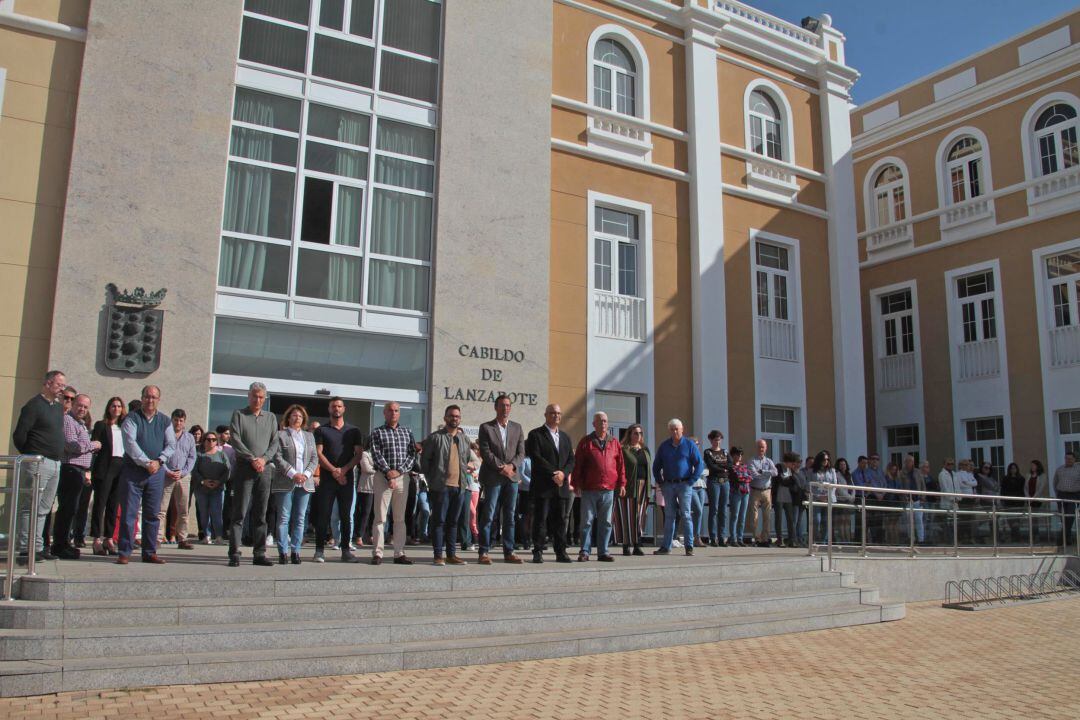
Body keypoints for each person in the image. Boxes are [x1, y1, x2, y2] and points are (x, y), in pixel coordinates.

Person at [12, 370, 68, 563]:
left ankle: (36, 547)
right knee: (31, 506)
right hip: (37, 462)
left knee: (44, 508)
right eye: (59, 385)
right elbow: (19, 436)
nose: (62, 389)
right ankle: (25, 549)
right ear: (48, 383)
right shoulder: (33, 405)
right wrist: (31, 456)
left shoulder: (57, 408)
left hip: (55, 463)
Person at [116, 385, 176, 565]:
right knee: (129, 513)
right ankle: (124, 552)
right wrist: (146, 462)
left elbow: (171, 445)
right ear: (141, 398)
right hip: (133, 472)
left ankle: (149, 552)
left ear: (159, 399)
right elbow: (130, 443)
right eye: (147, 397)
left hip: (156, 473)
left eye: (154, 397)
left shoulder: (165, 421)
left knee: (152, 514)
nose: (150, 400)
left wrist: (159, 461)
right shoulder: (131, 419)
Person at [226, 382, 278, 568]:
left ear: (265, 398)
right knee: (239, 512)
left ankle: (259, 553)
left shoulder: (271, 417)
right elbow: (235, 439)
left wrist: (263, 459)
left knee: (261, 514)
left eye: (261, 397)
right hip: (244, 469)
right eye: (255, 396)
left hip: (264, 470)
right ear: (249, 396)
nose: (258, 400)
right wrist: (252, 458)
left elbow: (274, 443)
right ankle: (234, 552)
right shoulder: (239, 415)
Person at [476, 394, 526, 565]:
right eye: (502, 405)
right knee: (489, 514)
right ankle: (483, 551)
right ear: (495, 407)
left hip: (511, 478)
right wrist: (501, 467)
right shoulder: (486, 427)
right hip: (492, 477)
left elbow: (521, 453)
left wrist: (511, 466)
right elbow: (485, 451)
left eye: (508, 405)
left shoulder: (517, 428)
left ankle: (509, 552)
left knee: (510, 516)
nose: (505, 408)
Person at [420, 405, 472, 566]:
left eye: (457, 416)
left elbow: (466, 460)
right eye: (451, 416)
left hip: (459, 487)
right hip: (441, 487)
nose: (454, 418)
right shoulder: (435, 437)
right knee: (439, 521)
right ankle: (438, 555)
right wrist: (432, 480)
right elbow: (425, 461)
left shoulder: (464, 439)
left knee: (453, 522)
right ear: (445, 418)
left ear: (460, 419)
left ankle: (451, 555)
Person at [312, 397, 363, 563]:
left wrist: (344, 470)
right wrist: (334, 471)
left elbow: (359, 454)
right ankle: (319, 550)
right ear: (329, 409)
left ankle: (346, 551)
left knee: (345, 515)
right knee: (323, 515)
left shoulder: (353, 431)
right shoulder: (321, 430)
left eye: (339, 406)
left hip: (346, 479)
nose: (337, 408)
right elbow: (319, 453)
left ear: (344, 409)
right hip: (328, 479)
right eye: (334, 406)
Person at [570, 412, 625, 562]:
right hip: (589, 489)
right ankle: (585, 551)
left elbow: (620, 465)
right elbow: (578, 465)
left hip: (608, 489)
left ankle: (603, 552)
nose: (603, 424)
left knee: (606, 522)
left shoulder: (614, 442)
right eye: (600, 421)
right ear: (594, 424)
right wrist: (576, 484)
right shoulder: (586, 442)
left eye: (606, 421)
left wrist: (622, 483)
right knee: (586, 521)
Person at [524, 404, 574, 564]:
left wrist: (563, 473)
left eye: (558, 413)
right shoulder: (536, 434)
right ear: (546, 415)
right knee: (540, 520)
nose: (556, 416)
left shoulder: (565, 437)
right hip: (543, 486)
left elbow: (571, 460)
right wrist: (554, 473)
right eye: (552, 413)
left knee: (560, 520)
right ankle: (537, 551)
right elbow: (537, 458)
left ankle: (561, 551)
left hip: (561, 487)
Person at [369, 401, 417, 565]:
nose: (393, 413)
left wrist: (399, 471)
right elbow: (376, 454)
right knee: (380, 517)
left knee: (399, 518)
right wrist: (389, 472)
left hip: (402, 478)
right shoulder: (377, 432)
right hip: (382, 477)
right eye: (390, 410)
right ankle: (378, 553)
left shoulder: (407, 432)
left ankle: (399, 553)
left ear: (399, 413)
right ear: (384, 413)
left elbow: (412, 455)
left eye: (396, 411)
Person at [53, 393, 100, 559]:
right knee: (67, 508)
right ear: (73, 404)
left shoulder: (81, 423)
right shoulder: (68, 420)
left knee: (73, 509)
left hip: (79, 470)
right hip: (70, 469)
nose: (82, 409)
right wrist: (93, 444)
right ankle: (59, 545)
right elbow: (73, 446)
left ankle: (65, 543)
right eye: (80, 405)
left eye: (86, 407)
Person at [272, 404, 317, 565]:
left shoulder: (309, 436)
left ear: (303, 419)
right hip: (285, 481)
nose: (297, 418)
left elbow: (314, 459)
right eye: (294, 415)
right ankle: (283, 552)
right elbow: (277, 457)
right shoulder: (280, 435)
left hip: (304, 483)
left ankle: (295, 551)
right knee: (284, 518)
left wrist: (304, 475)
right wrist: (293, 473)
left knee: (300, 518)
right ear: (288, 417)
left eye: (299, 416)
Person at [651, 418, 702, 556]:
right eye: (672, 429)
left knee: (686, 515)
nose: (674, 431)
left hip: (685, 484)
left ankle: (689, 546)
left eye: (677, 429)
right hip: (668, 485)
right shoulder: (664, 446)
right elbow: (656, 466)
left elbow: (699, 464)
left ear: (682, 429)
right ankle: (666, 546)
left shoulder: (689, 445)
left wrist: (691, 481)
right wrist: (660, 481)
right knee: (669, 516)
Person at [90, 396, 126, 556]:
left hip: (120, 467)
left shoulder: (124, 427)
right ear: (108, 408)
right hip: (105, 468)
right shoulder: (101, 425)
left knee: (113, 505)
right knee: (100, 504)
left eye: (119, 406)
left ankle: (109, 538)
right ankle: (96, 539)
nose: (116, 409)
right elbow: (94, 447)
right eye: (113, 406)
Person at [157, 409, 196, 550]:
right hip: (167, 476)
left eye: (181, 420)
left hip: (183, 476)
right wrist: (167, 471)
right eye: (175, 420)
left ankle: (182, 539)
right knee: (161, 509)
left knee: (183, 510)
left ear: (184, 422)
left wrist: (184, 472)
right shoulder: (165, 435)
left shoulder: (189, 438)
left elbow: (192, 457)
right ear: (171, 420)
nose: (178, 423)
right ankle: (158, 538)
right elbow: (160, 454)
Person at [616, 424, 651, 556]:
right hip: (629, 486)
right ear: (630, 434)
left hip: (643, 486)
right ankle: (626, 545)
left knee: (639, 516)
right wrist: (621, 485)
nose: (638, 435)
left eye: (640, 433)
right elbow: (619, 468)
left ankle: (637, 544)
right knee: (627, 516)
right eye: (635, 433)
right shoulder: (624, 449)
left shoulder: (645, 450)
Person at [192, 431, 229, 545]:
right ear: (204, 441)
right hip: (201, 489)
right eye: (208, 439)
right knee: (204, 513)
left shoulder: (222, 454)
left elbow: (228, 470)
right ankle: (207, 535)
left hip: (218, 489)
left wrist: (219, 482)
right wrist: (203, 481)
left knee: (216, 512)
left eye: (213, 439)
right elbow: (194, 470)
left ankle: (218, 536)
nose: (211, 441)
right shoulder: (199, 455)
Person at [747, 439, 777, 547]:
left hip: (767, 491)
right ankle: (757, 538)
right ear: (756, 447)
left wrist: (763, 472)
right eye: (759, 447)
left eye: (763, 447)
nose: (761, 449)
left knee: (767, 516)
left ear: (766, 448)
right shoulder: (752, 461)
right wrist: (767, 474)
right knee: (754, 516)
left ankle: (765, 538)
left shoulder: (769, 461)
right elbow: (754, 474)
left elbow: (775, 472)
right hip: (755, 490)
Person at [703, 431, 730, 547]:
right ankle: (713, 538)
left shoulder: (725, 452)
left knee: (723, 511)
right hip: (714, 482)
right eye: (715, 439)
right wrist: (722, 469)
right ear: (711, 440)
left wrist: (722, 468)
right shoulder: (708, 452)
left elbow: (730, 464)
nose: (717, 441)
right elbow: (711, 466)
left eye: (719, 439)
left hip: (725, 482)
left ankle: (722, 537)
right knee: (714, 509)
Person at [772, 451, 802, 548]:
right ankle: (779, 539)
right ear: (788, 461)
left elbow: (795, 483)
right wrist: (789, 480)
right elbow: (781, 480)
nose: (794, 465)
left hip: (788, 496)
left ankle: (792, 540)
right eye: (792, 463)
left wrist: (791, 478)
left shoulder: (790, 470)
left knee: (790, 519)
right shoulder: (779, 467)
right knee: (779, 518)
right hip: (779, 496)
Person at [1053, 451, 1080, 546]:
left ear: (1074, 459)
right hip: (1061, 495)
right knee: (1063, 518)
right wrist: (1057, 494)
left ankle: (1061, 539)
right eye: (1066, 458)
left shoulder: (1078, 469)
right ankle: (1067, 540)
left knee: (1070, 516)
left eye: (1070, 458)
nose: (1068, 460)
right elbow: (1055, 482)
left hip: (1074, 495)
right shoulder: (1059, 469)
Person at [727, 447, 752, 546]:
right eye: (737, 454)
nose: (739, 456)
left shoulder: (744, 466)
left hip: (745, 492)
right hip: (736, 492)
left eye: (741, 454)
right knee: (735, 515)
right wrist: (743, 477)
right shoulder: (730, 466)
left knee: (742, 516)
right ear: (733, 455)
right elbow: (736, 477)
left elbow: (750, 477)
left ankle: (740, 538)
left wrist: (743, 477)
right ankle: (733, 538)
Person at [1000, 462, 1026, 543]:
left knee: (1017, 521)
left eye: (1014, 468)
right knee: (1010, 520)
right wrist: (1002, 500)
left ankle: (1016, 537)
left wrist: (1023, 501)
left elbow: (1023, 490)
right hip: (1008, 502)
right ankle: (1014, 536)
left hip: (1018, 503)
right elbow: (1003, 490)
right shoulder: (1005, 478)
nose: (1013, 470)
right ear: (1009, 469)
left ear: (1017, 469)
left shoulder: (1021, 479)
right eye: (1011, 468)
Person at [1026, 459, 1051, 541]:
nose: (1032, 467)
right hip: (1029, 499)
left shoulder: (1042, 476)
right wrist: (1028, 497)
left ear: (1037, 466)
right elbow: (1025, 487)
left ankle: (1036, 535)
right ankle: (1031, 535)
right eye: (1031, 465)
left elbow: (1041, 488)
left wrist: (1034, 498)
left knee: (1035, 518)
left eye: (1033, 465)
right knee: (1030, 518)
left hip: (1038, 500)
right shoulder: (1028, 475)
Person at [833, 457, 855, 543]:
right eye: (841, 464)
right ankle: (843, 540)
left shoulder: (849, 475)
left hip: (849, 500)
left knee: (847, 521)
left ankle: (848, 539)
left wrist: (853, 496)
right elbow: (839, 489)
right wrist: (849, 497)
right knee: (842, 521)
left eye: (844, 464)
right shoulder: (837, 474)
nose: (843, 466)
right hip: (841, 500)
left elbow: (853, 487)